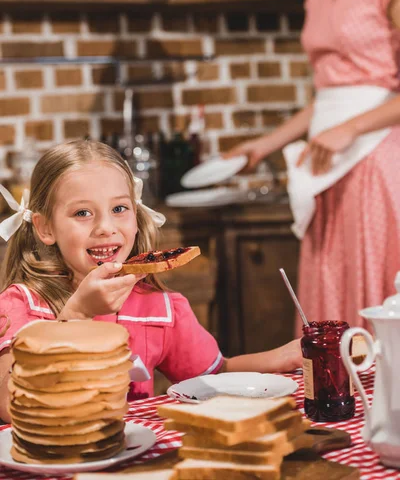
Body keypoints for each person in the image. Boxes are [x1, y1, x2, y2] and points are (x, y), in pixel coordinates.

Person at [0, 139, 301, 423]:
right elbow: (12, 406)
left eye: (119, 209)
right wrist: (78, 314)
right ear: (45, 227)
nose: (106, 227)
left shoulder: (159, 308)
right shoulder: (21, 306)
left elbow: (215, 374)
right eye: (82, 213)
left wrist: (282, 357)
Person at [225, 0, 400, 334]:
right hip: (325, 164)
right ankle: (335, 396)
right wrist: (263, 145)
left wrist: (351, 129)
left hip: (377, 160)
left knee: (374, 286)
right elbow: (325, 99)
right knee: (330, 285)